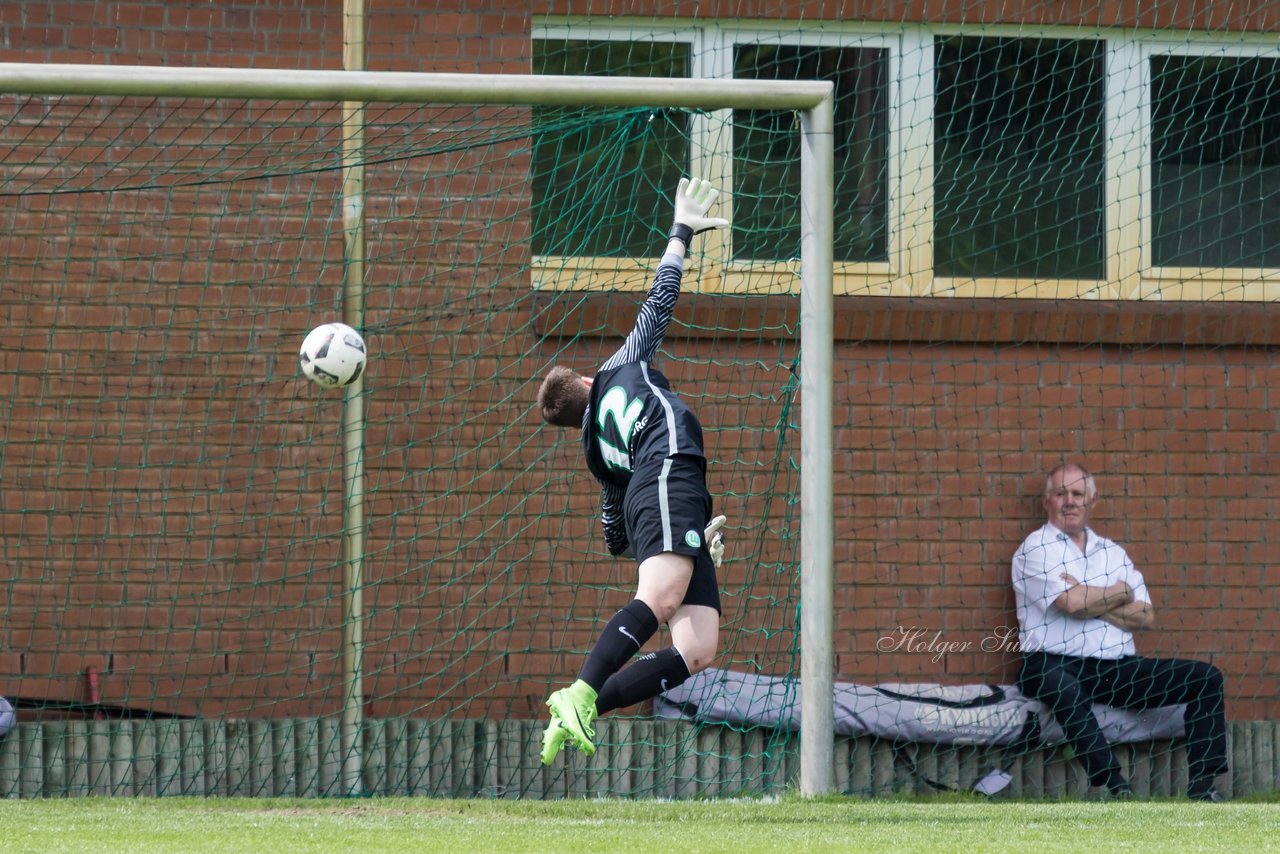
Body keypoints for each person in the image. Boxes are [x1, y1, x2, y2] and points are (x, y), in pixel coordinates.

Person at [535, 177, 730, 765]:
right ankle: (580, 690)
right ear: (590, 384)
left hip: (663, 492)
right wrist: (681, 231)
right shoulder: (619, 366)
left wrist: (684, 538)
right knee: (663, 596)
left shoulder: (596, 455)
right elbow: (658, 303)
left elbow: (617, 535)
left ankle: (587, 705)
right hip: (671, 466)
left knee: (697, 648)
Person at [1012, 461, 1229, 800]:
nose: (1069, 501)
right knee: (1064, 688)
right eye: (1060, 493)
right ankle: (1115, 784)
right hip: (1050, 662)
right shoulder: (1036, 548)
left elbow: (1144, 615)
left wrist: (1089, 596)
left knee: (1205, 678)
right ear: (1047, 502)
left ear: (1092, 502)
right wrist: (1118, 593)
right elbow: (1070, 605)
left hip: (1114, 668)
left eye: (1077, 494)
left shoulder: (1112, 553)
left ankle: (1203, 787)